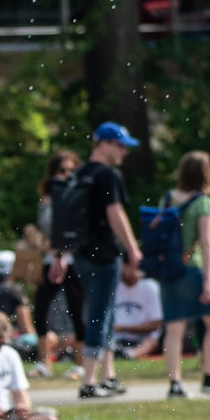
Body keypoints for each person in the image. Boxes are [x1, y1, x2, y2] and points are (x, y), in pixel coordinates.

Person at [65, 122, 141, 399]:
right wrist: (133, 248)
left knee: (105, 312)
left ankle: (107, 375)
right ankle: (88, 381)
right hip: (105, 253)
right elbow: (115, 213)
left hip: (82, 254)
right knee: (100, 314)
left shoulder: (78, 175)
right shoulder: (108, 175)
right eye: (120, 146)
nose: (124, 152)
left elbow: (66, 218)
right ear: (103, 144)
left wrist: (62, 253)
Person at [150, 151, 210, 396]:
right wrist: (208, 279)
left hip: (169, 269)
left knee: (174, 328)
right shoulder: (205, 203)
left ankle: (175, 384)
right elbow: (205, 242)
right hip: (192, 268)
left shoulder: (168, 198)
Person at [32, 152, 87, 375]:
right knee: (41, 307)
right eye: (61, 171)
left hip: (73, 260)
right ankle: (44, 362)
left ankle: (80, 364)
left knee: (77, 309)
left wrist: (63, 251)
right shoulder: (47, 199)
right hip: (50, 258)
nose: (65, 175)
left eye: (70, 171)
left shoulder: (79, 196)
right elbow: (45, 229)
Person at [110, 257, 167, 362]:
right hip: (117, 338)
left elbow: (156, 324)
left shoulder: (150, 286)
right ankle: (117, 352)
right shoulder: (113, 285)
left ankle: (128, 354)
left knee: (151, 341)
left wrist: (124, 327)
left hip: (143, 337)